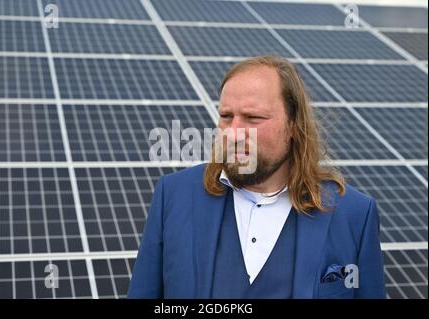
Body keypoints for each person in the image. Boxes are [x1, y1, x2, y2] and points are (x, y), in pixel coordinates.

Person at [128, 55, 385, 299]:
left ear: (294, 125)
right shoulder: (174, 195)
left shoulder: (354, 215)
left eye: (253, 118)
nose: (235, 133)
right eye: (226, 117)